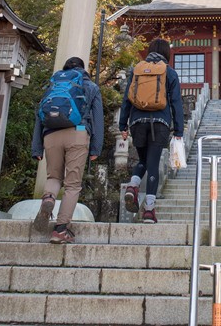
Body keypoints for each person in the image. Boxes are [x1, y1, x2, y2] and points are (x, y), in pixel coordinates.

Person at [31, 56, 103, 243]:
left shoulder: (52, 86)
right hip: (78, 133)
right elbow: (98, 119)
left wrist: (37, 147)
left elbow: (39, 116)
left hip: (51, 135)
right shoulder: (90, 87)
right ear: (83, 68)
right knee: (72, 184)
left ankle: (49, 198)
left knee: (54, 177)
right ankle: (61, 229)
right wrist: (96, 148)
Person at [119, 38, 184, 224]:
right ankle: (149, 210)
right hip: (160, 122)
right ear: (167, 53)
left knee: (143, 160)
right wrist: (179, 129)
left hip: (137, 121)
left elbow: (127, 99)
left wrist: (122, 125)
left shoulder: (137, 70)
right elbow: (176, 103)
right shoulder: (169, 72)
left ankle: (133, 185)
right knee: (153, 163)